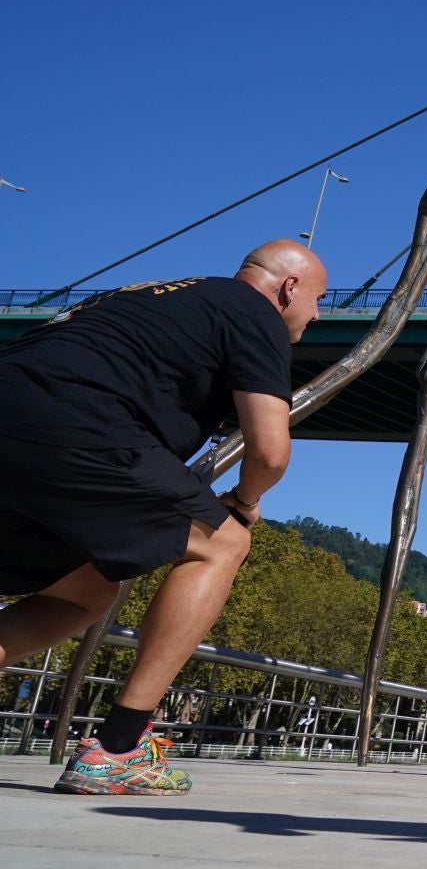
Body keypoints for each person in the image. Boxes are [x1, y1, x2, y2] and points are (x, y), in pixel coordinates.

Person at [0, 241, 324, 794]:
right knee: (221, 545)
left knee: (88, 590)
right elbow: (270, 452)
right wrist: (242, 506)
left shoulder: (138, 297)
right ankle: (118, 749)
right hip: (78, 424)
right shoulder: (253, 312)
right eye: (316, 301)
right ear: (289, 288)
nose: (317, 316)